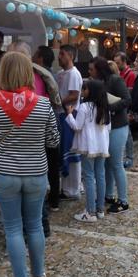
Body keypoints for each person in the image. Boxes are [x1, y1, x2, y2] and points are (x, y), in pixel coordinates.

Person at [0, 52, 60, 277]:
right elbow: (53, 141)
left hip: (4, 173)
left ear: (3, 72)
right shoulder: (44, 104)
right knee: (35, 226)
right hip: (35, 172)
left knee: (13, 229)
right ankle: (39, 275)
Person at [88, 57, 132, 214]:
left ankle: (123, 200)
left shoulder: (115, 80)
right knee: (108, 163)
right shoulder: (99, 82)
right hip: (107, 126)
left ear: (99, 69)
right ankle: (109, 195)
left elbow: (127, 99)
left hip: (118, 126)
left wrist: (109, 107)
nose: (89, 72)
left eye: (92, 69)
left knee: (116, 164)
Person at [66, 80, 111, 222]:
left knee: (89, 177)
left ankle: (90, 213)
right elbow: (108, 127)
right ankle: (100, 209)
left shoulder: (85, 107)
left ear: (90, 91)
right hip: (102, 146)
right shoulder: (104, 107)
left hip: (88, 146)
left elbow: (77, 127)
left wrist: (69, 114)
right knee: (101, 176)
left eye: (84, 89)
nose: (82, 92)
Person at [33, 45, 62, 211]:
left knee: (49, 161)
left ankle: (50, 200)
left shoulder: (41, 75)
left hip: (47, 121)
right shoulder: (52, 74)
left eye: (35, 54)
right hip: (53, 120)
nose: (33, 57)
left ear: (41, 58)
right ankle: (54, 200)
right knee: (53, 161)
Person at [56, 44, 83, 199]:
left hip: (70, 114)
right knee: (64, 150)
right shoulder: (61, 73)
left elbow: (74, 95)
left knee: (72, 151)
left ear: (71, 56)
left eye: (62, 54)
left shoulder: (74, 73)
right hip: (62, 114)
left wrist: (58, 102)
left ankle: (74, 188)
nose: (59, 57)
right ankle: (66, 188)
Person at [113, 52, 135, 169]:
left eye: (118, 63)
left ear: (124, 62)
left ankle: (130, 157)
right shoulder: (119, 73)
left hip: (124, 106)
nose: (116, 65)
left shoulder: (130, 74)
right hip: (119, 105)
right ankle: (125, 156)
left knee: (128, 133)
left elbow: (129, 93)